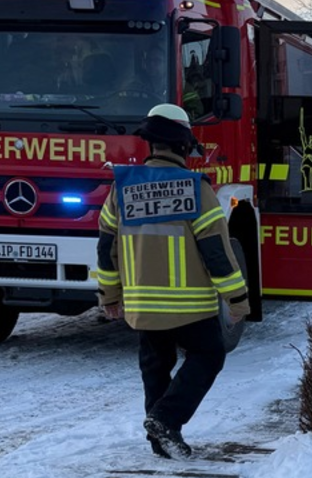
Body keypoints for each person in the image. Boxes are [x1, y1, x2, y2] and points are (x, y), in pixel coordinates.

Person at [97, 104, 250, 459]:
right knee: (209, 355)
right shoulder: (196, 188)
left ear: (151, 144)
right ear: (184, 146)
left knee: (155, 368)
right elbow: (216, 251)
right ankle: (166, 419)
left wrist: (110, 296)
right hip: (190, 305)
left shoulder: (122, 188)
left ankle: (161, 442)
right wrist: (237, 299)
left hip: (142, 305)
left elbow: (107, 248)